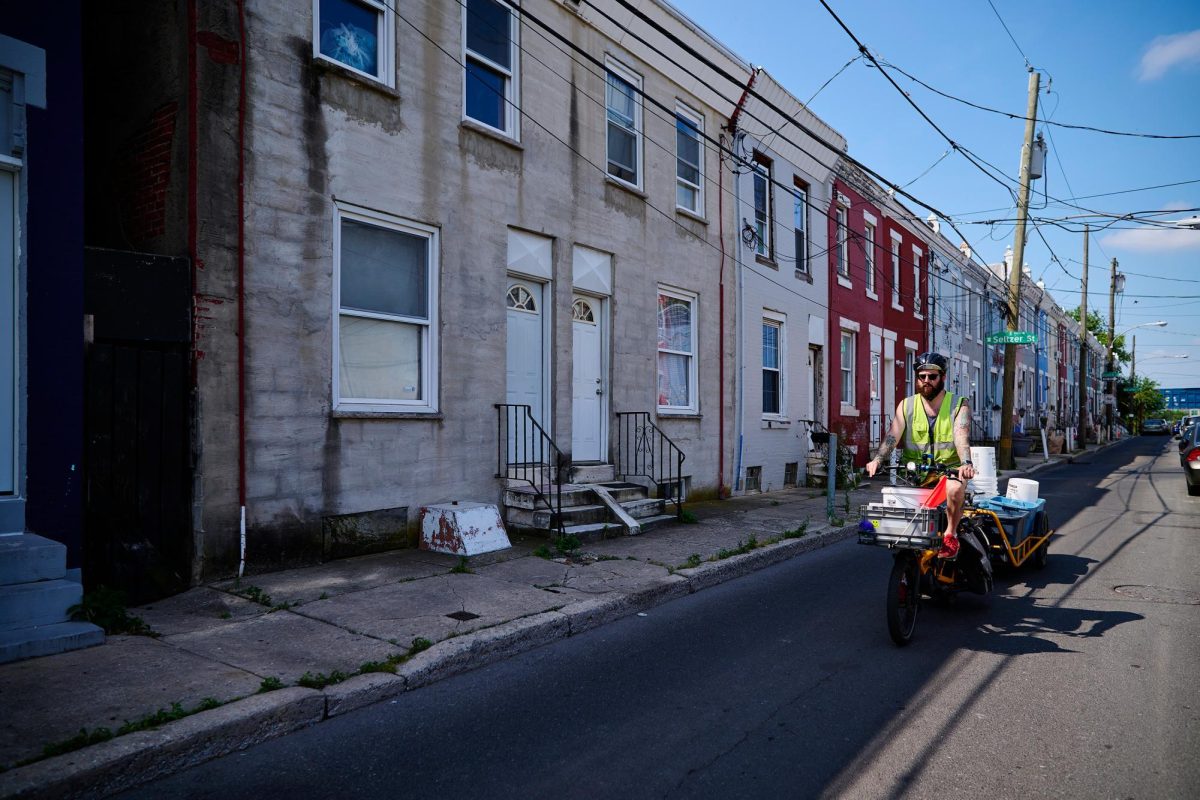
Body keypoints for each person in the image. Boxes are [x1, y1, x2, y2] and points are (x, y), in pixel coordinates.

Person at [865, 352, 976, 555]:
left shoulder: (959, 404)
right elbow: (893, 435)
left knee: (954, 490)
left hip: (948, 472)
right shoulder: (906, 405)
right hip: (915, 474)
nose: (926, 381)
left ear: (942, 377)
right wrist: (878, 459)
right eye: (921, 376)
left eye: (932, 377)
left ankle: (950, 536)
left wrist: (966, 463)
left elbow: (961, 436)